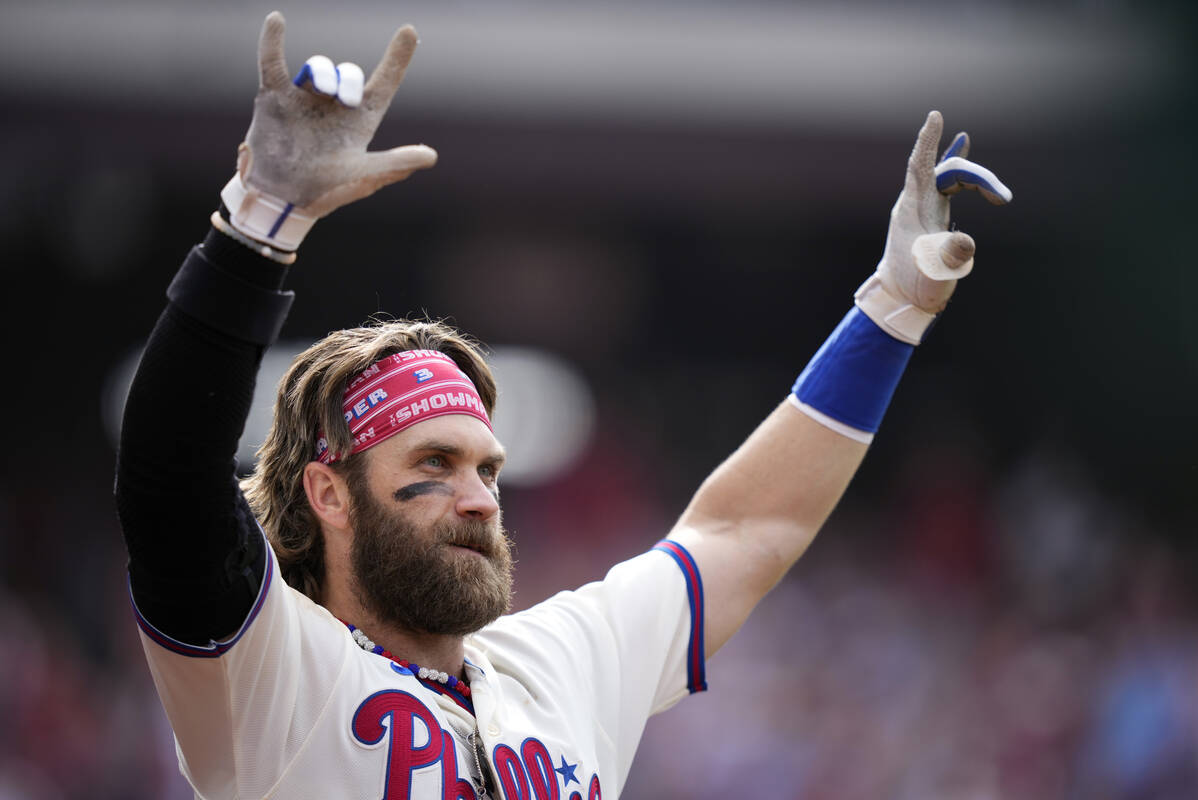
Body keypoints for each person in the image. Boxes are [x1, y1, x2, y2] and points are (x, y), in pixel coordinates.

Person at [114, 11, 1011, 800]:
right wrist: (258, 226)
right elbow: (168, 480)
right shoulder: (266, 672)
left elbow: (741, 531)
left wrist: (890, 312)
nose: (479, 498)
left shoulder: (556, 665)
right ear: (330, 493)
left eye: (486, 468)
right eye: (433, 465)